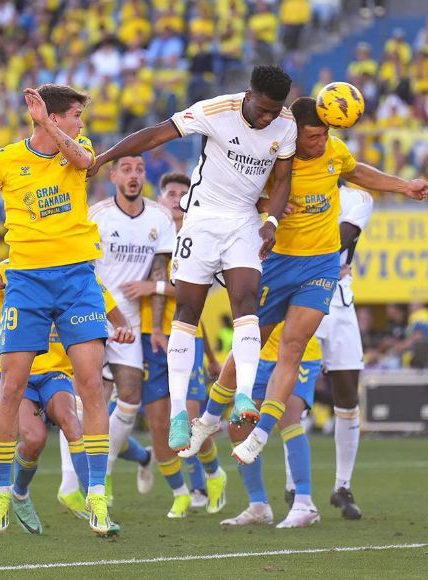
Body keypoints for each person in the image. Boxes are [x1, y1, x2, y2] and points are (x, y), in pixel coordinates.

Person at [199, 97, 428, 470]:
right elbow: (240, 194)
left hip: (321, 268)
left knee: (293, 349)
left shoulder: (335, 153)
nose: (321, 142)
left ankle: (261, 436)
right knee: (250, 342)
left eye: (324, 134)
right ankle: (210, 416)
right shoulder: (275, 158)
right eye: (313, 136)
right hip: (277, 264)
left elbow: (356, 171)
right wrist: (267, 206)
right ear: (295, 133)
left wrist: (404, 186)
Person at [89, 65, 298, 454]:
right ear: (249, 96)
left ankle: (244, 398)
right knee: (186, 311)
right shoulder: (216, 110)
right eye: (264, 109)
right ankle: (180, 417)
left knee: (247, 303)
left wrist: (270, 221)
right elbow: (154, 135)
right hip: (200, 219)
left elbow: (283, 180)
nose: (269, 117)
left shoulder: (286, 125)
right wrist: (104, 157)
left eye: (276, 110)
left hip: (243, 222)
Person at [0, 84, 119, 534]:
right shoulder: (2, 160)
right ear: (53, 115)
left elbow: (84, 161)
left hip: (76, 278)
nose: (81, 123)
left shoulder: (79, 149)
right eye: (75, 115)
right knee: (11, 386)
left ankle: (97, 497)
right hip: (27, 281)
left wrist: (50, 126)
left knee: (91, 383)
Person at [0, 259, 133, 533]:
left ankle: (95, 506)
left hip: (55, 375)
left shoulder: (78, 273)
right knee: (35, 438)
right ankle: (18, 492)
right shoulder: (9, 269)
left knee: (72, 424)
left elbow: (114, 311)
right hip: (17, 376)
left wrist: (123, 327)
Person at [124, 172, 227, 518]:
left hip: (188, 338)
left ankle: (213, 475)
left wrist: (151, 288)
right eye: (171, 192)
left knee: (192, 418)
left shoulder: (199, 239)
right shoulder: (147, 237)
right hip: (148, 338)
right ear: (161, 197)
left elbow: (193, 295)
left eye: (185, 193)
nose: (177, 198)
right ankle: (182, 492)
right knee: (159, 425)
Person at [88, 155, 176, 506]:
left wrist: (155, 326)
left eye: (139, 169)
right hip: (94, 320)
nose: (134, 176)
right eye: (126, 169)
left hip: (131, 327)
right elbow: (85, 270)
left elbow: (158, 274)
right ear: (113, 177)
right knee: (87, 402)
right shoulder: (97, 216)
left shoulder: (160, 218)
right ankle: (80, 480)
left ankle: (103, 474)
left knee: (129, 397)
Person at [222, 321, 321, 528]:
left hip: (296, 352)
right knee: (238, 427)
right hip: (260, 353)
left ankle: (304, 503)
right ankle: (258, 505)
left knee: (288, 418)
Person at [312, 186, 374, 519]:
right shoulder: (290, 182)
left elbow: (339, 239)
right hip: (300, 293)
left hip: (339, 297)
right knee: (294, 391)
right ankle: (297, 488)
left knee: (348, 395)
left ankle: (342, 485)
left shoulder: (358, 198)